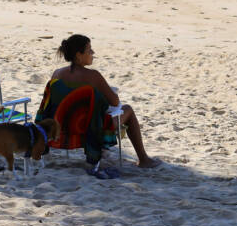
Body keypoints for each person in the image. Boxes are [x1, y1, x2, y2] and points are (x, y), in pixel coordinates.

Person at [51, 34, 161, 168]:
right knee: (128, 110)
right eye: (89, 50)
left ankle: (102, 150)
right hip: (90, 131)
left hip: (65, 128)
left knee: (93, 112)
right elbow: (115, 102)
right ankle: (144, 159)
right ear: (79, 55)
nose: (93, 53)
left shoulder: (57, 74)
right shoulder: (93, 76)